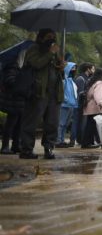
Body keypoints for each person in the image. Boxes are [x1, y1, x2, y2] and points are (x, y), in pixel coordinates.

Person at [19, 29, 65, 160]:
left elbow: (57, 72)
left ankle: (49, 148)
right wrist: (50, 53)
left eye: (53, 36)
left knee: (52, 123)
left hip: (54, 93)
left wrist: (61, 67)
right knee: (31, 122)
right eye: (48, 37)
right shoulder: (34, 49)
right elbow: (36, 64)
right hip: (38, 92)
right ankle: (26, 149)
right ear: (41, 37)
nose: (52, 39)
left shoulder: (55, 51)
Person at [82, 68, 102, 148]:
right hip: (96, 107)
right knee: (91, 126)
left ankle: (89, 142)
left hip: (90, 106)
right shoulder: (100, 83)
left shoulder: (92, 82)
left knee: (89, 125)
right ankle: (87, 143)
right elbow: (98, 96)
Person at [55, 62, 78, 148]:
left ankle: (62, 140)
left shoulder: (72, 81)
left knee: (65, 124)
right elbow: (61, 93)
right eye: (72, 68)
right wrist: (65, 100)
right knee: (61, 123)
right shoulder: (63, 81)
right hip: (64, 105)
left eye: (75, 69)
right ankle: (58, 141)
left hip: (72, 105)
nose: (74, 70)